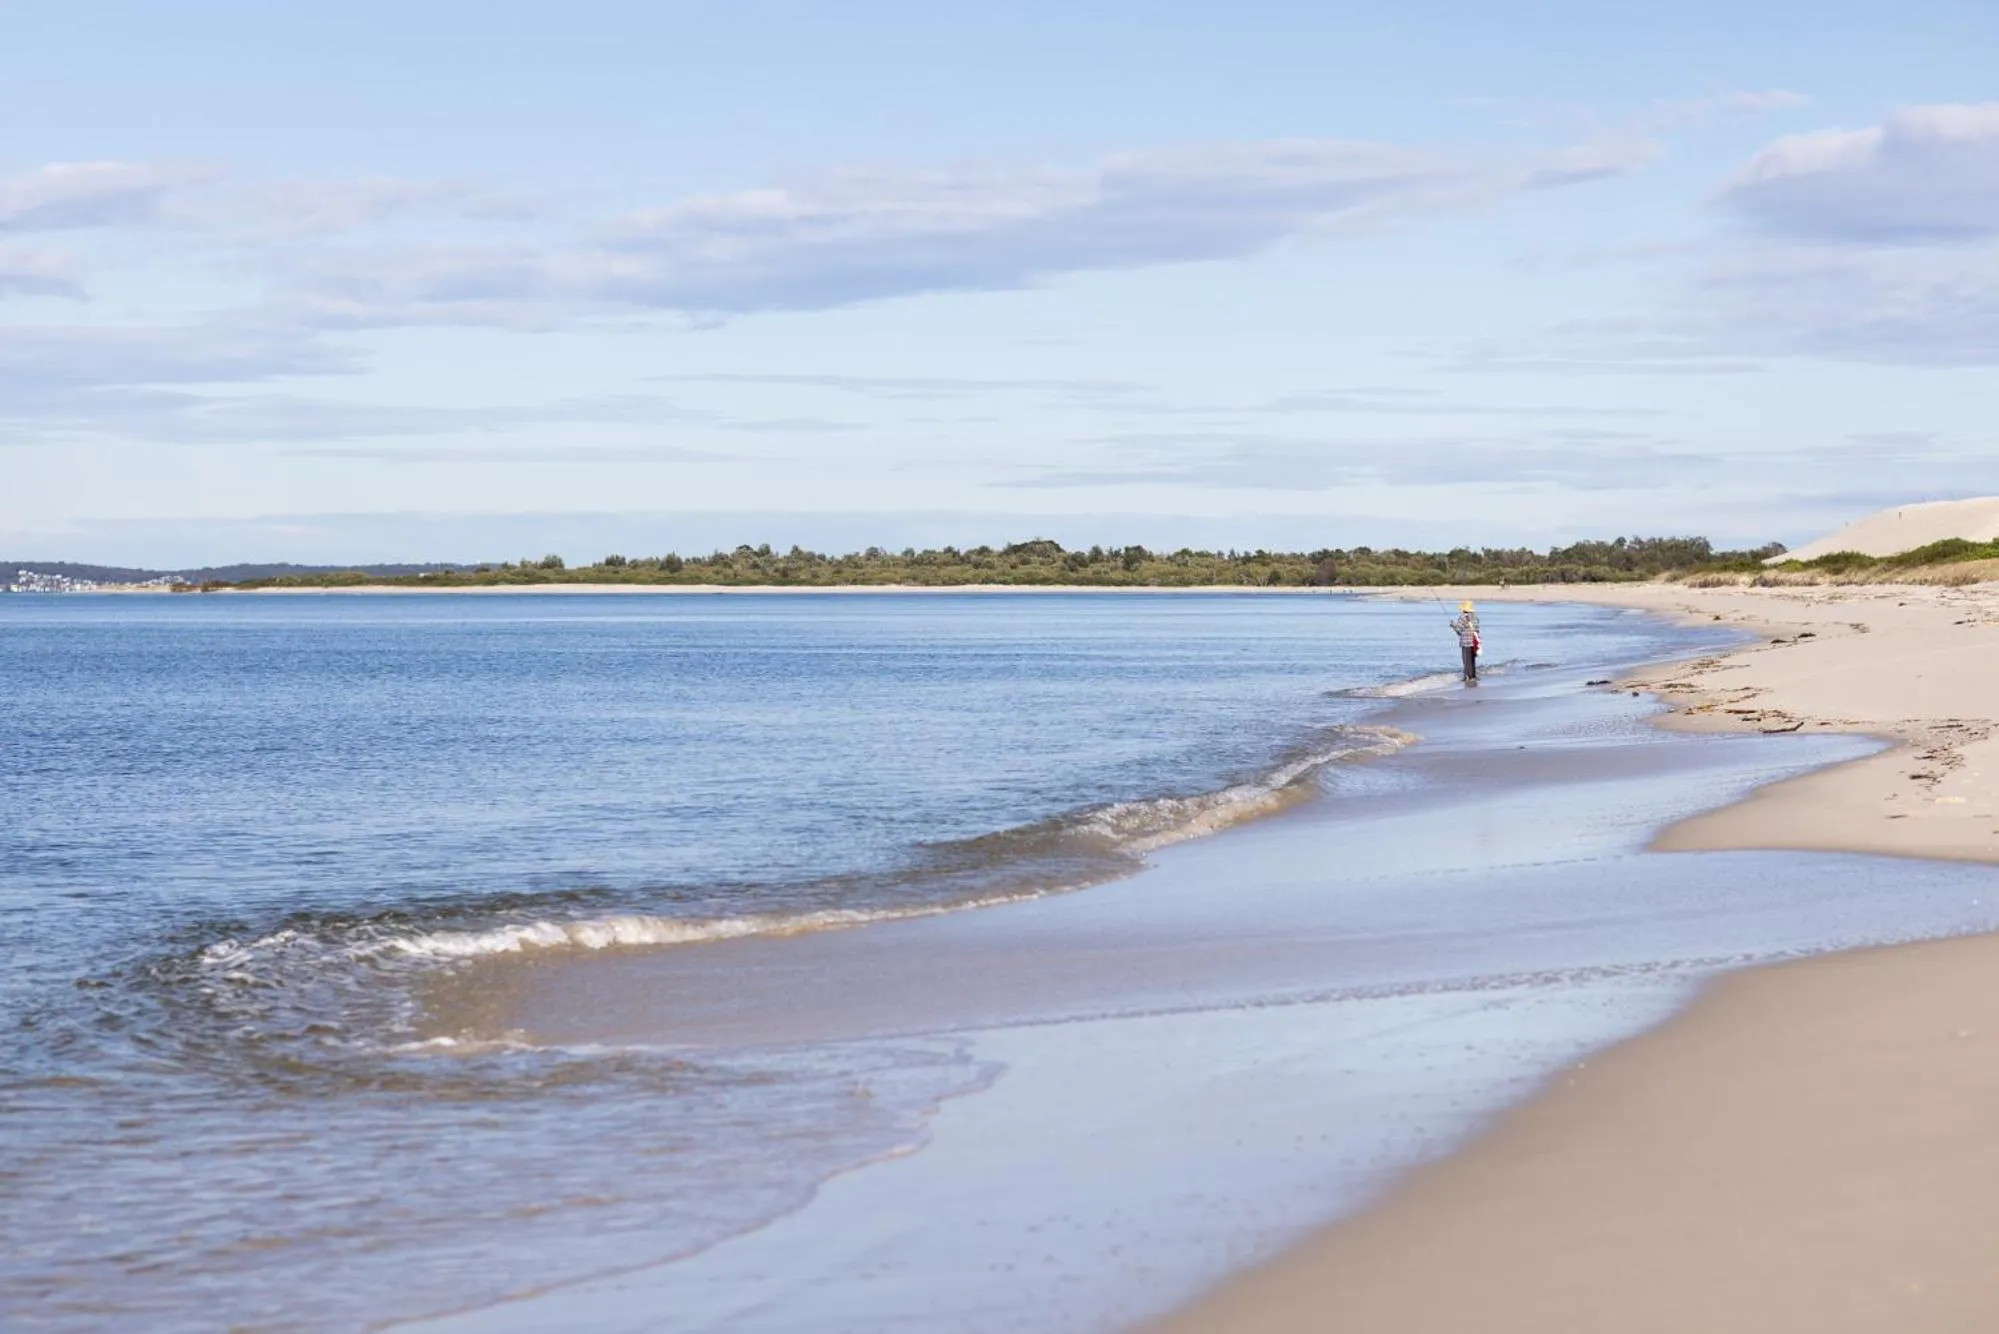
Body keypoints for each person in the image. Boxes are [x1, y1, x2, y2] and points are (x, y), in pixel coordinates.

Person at [1449, 600, 1480, 681]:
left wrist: (1453, 625)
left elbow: (1459, 631)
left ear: (1464, 609)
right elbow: (1477, 630)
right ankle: (1473, 676)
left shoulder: (1462, 618)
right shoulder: (1475, 618)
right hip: (1474, 642)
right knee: (1472, 660)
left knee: (1466, 660)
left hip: (1466, 642)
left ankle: (1468, 677)